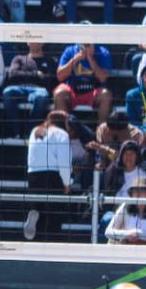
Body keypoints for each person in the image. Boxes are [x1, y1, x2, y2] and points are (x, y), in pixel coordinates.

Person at [24, 110, 71, 241]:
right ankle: (52, 245)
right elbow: (64, 162)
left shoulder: (35, 131)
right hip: (52, 176)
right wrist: (67, 183)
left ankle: (35, 241)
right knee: (54, 216)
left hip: (33, 175)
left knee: (40, 212)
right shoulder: (62, 134)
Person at [54, 42, 113, 124]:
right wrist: (77, 58)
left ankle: (101, 132)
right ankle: (65, 131)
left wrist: (90, 58)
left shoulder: (103, 52)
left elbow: (103, 79)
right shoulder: (69, 51)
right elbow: (60, 76)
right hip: (72, 91)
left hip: (94, 92)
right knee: (60, 93)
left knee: (106, 95)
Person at [105, 175, 146, 245]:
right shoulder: (125, 207)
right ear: (131, 194)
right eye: (135, 190)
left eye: (142, 190)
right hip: (125, 248)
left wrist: (139, 234)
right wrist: (127, 234)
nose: (138, 194)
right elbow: (108, 232)